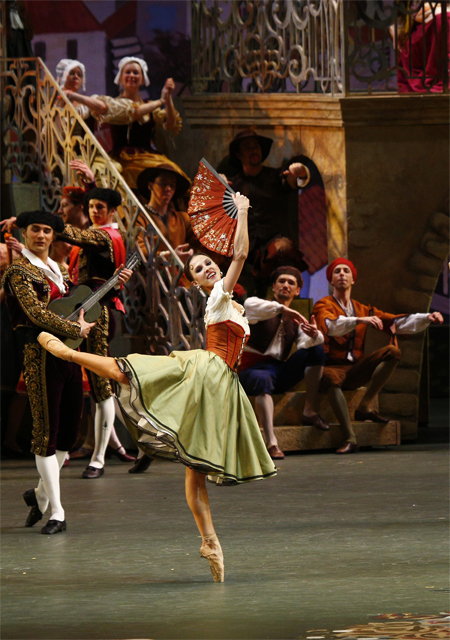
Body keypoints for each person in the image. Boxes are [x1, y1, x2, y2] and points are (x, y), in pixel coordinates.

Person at [37, 191, 276, 582]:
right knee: (130, 371)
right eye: (199, 268)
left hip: (222, 386)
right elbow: (241, 255)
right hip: (206, 372)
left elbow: (243, 277)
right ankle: (69, 354)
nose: (207, 268)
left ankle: (210, 541)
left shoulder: (234, 305)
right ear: (198, 282)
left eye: (207, 263)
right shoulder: (217, 298)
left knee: (193, 468)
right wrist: (244, 212)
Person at [1, 210, 95, 534]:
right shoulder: (17, 271)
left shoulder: (59, 269)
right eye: (34, 230)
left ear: (54, 236)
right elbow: (35, 313)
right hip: (39, 352)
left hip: (68, 352)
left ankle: (39, 495)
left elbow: (73, 306)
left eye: (46, 231)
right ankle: (57, 512)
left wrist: (82, 324)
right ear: (25, 233)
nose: (41, 236)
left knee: (68, 433)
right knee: (46, 435)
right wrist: (75, 327)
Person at [313, 258, 444, 453]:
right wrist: (359, 320)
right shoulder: (323, 304)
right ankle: (349, 437)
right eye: (337, 271)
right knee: (331, 378)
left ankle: (364, 406)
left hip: (354, 368)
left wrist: (427, 317)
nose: (341, 274)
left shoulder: (361, 308)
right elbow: (331, 326)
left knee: (393, 352)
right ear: (331, 280)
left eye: (346, 271)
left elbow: (394, 322)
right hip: (331, 367)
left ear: (353, 279)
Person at [239, 266, 328, 460]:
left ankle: (309, 410)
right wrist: (282, 309)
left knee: (316, 350)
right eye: (281, 281)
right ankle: (271, 443)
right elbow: (249, 304)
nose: (286, 285)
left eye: (291, 283)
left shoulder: (295, 321)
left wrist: (315, 335)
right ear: (273, 286)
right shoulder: (260, 307)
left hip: (277, 372)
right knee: (262, 378)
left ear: (297, 291)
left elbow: (307, 344)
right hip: (251, 370)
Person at [65, 56, 189, 192]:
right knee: (155, 175)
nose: (131, 76)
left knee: (172, 172)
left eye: (136, 73)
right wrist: (161, 100)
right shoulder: (114, 104)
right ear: (120, 78)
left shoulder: (149, 105)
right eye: (128, 72)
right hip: (124, 157)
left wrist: (168, 98)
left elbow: (171, 124)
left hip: (149, 155)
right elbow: (133, 113)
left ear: (142, 79)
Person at [136, 162, 195, 262]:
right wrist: (167, 256)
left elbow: (201, 240)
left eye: (172, 185)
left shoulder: (182, 218)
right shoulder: (140, 218)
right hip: (153, 275)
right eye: (162, 183)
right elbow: (139, 249)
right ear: (150, 186)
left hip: (179, 274)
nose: (168, 189)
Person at [392, 2, 450, 93]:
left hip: (438, 14)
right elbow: (414, 10)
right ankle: (436, 78)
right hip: (420, 23)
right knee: (442, 20)